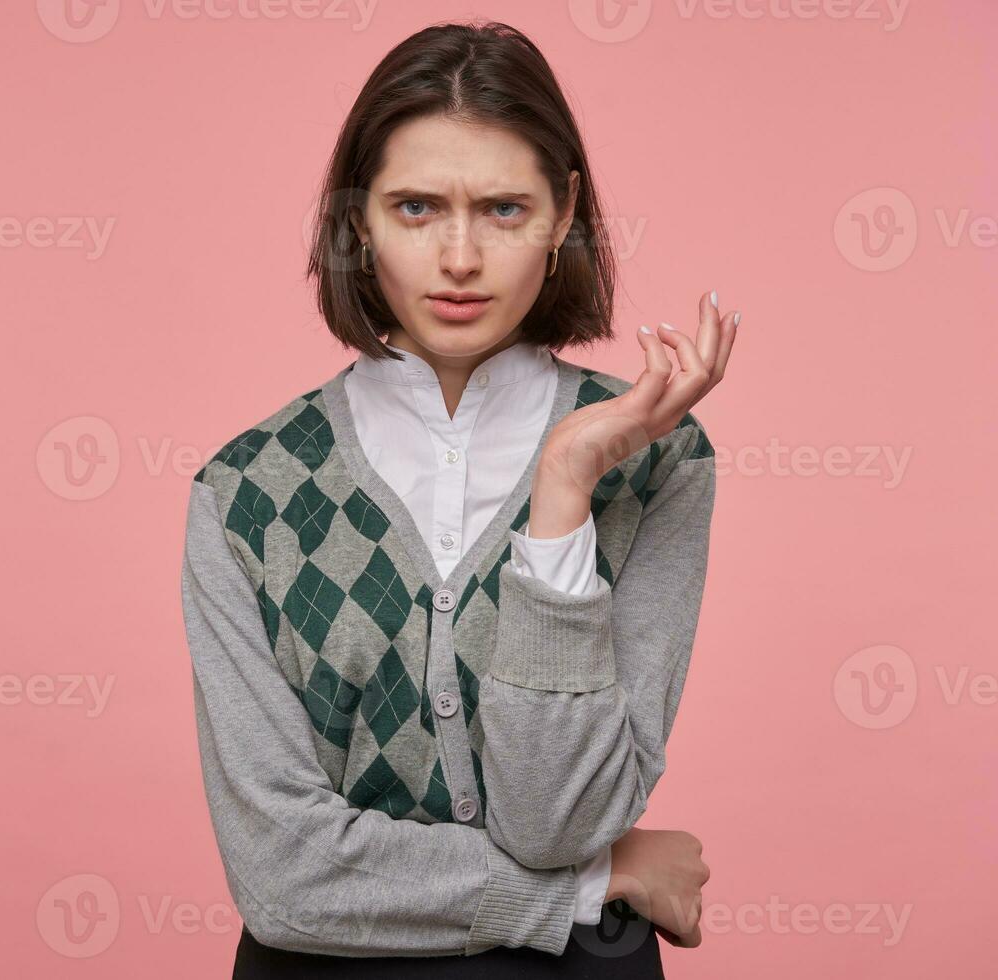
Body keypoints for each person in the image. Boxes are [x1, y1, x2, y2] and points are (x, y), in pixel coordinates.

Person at [180, 19, 738, 977]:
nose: (460, 257)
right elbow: (283, 876)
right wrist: (585, 885)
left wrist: (563, 493)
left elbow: (557, 818)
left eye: (505, 210)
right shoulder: (246, 493)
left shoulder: (659, 462)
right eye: (415, 207)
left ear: (564, 213)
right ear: (359, 218)